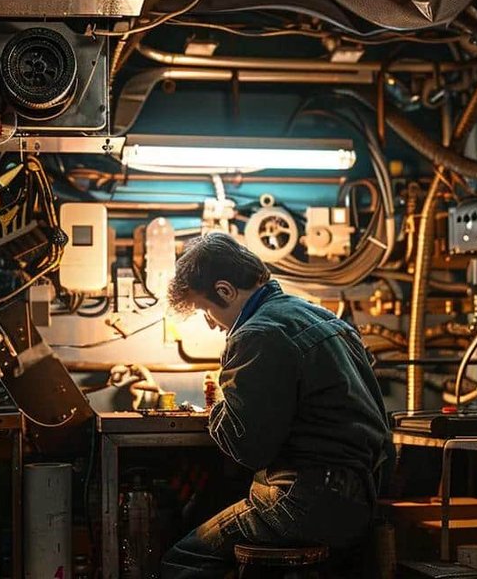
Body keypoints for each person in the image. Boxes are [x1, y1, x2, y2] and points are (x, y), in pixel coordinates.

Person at [159, 232, 392, 579]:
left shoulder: (256, 334)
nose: (210, 323)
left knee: (182, 561)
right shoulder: (321, 316)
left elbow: (248, 448)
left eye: (206, 310)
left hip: (305, 503)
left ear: (224, 291)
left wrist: (222, 398)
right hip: (361, 497)